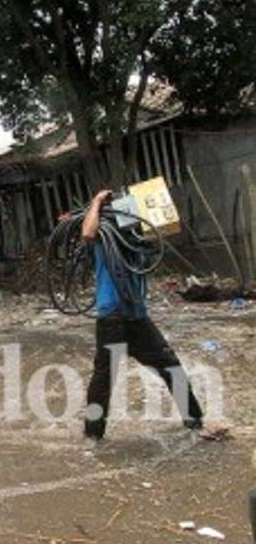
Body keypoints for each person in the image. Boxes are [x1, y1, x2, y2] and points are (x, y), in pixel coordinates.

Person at [82, 189, 203, 440]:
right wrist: (96, 202)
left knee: (172, 368)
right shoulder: (105, 241)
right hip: (112, 318)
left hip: (137, 317)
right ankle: (92, 435)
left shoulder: (138, 243)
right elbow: (87, 232)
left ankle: (196, 424)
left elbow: (166, 225)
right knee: (103, 381)